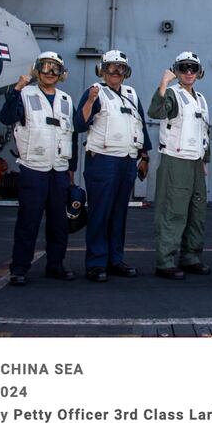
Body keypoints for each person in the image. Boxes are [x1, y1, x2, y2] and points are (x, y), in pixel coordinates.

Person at [0, 51, 77, 286]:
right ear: (37, 69)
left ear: (61, 73)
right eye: (46, 67)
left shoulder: (66, 99)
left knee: (59, 224)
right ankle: (19, 268)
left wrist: (71, 169)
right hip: (34, 168)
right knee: (28, 221)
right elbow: (6, 117)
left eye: (55, 68)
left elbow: (71, 135)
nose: (50, 73)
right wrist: (15, 90)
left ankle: (55, 265)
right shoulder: (25, 94)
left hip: (60, 170)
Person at [75, 50, 152, 283]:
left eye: (120, 67)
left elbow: (140, 126)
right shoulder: (95, 92)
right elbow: (79, 123)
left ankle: (115, 259)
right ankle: (96, 263)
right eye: (111, 67)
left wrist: (144, 156)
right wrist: (89, 100)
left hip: (127, 161)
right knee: (100, 212)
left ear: (126, 72)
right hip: (103, 160)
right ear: (102, 69)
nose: (116, 71)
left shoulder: (131, 93)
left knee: (119, 214)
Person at [148, 51, 212, 280]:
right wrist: (164, 83)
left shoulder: (201, 99)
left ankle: (190, 257)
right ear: (176, 70)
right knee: (173, 212)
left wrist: (205, 160)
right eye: (184, 67)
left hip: (195, 162)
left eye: (193, 68)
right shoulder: (172, 94)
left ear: (198, 72)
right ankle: (165, 261)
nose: (188, 72)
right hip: (175, 161)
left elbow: (205, 131)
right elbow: (155, 112)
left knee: (197, 211)